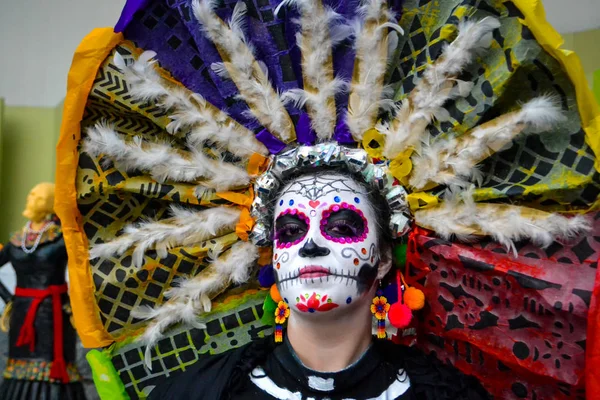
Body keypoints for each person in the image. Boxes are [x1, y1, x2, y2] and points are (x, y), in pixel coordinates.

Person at [55, 0, 599, 398]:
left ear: (384, 256)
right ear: (270, 253)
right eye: (291, 231)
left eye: (341, 226)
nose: (311, 247)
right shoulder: (200, 395)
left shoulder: (449, 398)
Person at [0, 183, 87, 400]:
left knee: (53, 363)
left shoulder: (62, 239)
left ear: (50, 205)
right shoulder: (16, 241)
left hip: (54, 313)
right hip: (21, 312)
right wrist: (9, 299)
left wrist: (79, 304)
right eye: (30, 195)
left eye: (37, 197)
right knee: (19, 361)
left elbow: (83, 272)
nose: (30, 199)